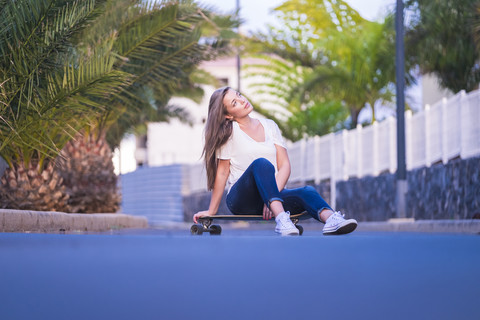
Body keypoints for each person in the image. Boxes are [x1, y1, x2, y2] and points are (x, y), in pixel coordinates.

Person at [193, 87, 357, 236]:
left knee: (307, 191)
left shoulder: (270, 126)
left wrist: (272, 199)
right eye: (235, 103)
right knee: (262, 164)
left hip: (272, 196)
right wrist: (212, 210)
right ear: (229, 115)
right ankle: (281, 219)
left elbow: (285, 165)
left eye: (239, 95)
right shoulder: (229, 133)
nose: (243, 101)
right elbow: (222, 172)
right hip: (242, 198)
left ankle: (331, 221)